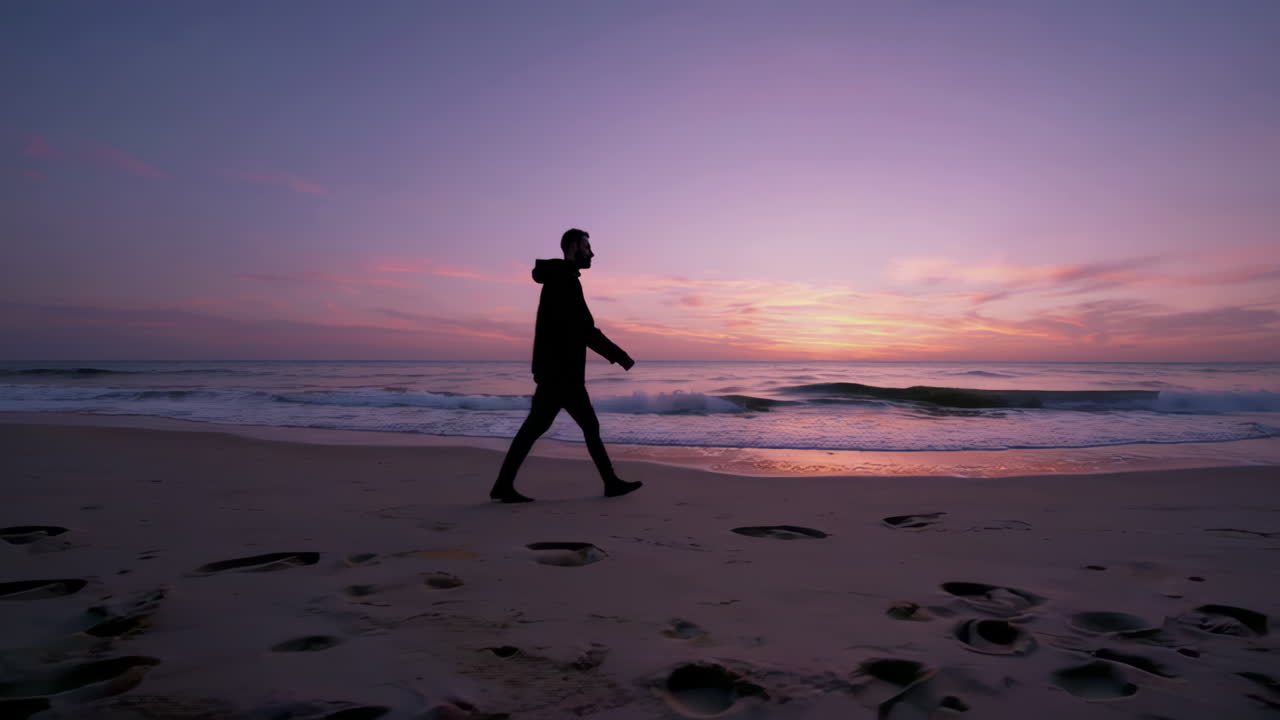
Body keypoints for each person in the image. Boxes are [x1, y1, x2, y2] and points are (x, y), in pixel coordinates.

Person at [490, 228, 643, 503]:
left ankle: (503, 485)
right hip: (562, 373)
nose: (592, 253)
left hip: (554, 371)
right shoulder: (565, 281)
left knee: (536, 428)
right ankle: (610, 483)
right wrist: (620, 356)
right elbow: (585, 329)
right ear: (573, 247)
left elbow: (576, 329)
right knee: (587, 426)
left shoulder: (560, 278)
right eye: (587, 247)